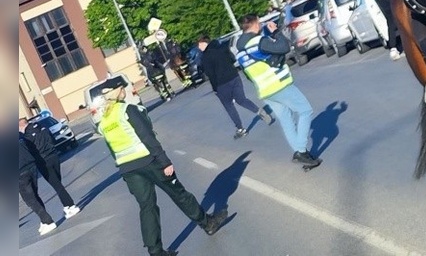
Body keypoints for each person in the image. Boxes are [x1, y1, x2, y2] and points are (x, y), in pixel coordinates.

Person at [92, 77, 227, 256]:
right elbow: (147, 137)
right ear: (117, 91)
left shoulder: (104, 121)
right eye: (122, 88)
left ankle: (155, 252)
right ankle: (207, 223)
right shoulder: (128, 110)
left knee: (147, 207)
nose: (124, 90)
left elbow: (112, 148)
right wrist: (164, 161)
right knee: (178, 194)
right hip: (150, 162)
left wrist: (123, 169)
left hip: (128, 170)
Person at [234, 14, 321, 169]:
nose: (260, 26)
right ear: (254, 25)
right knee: (305, 110)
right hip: (279, 84)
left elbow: (247, 75)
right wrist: (275, 33)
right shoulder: (257, 41)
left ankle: (304, 156)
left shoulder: (239, 52)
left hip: (265, 91)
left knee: (287, 120)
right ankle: (301, 151)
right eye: (259, 23)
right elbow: (284, 47)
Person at [197, 34, 274, 139]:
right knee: (241, 99)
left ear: (204, 43)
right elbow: (232, 60)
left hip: (222, 84)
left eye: (199, 45)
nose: (199, 48)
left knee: (229, 106)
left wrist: (215, 89)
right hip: (234, 77)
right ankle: (259, 111)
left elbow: (211, 74)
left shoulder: (205, 57)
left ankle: (241, 129)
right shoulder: (222, 47)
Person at [19, 117, 79, 236]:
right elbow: (51, 137)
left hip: (42, 161)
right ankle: (57, 211)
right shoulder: (41, 127)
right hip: (53, 155)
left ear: (21, 126)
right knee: (57, 182)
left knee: (55, 185)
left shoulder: (27, 135)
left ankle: (69, 205)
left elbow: (30, 149)